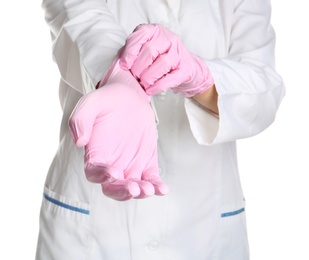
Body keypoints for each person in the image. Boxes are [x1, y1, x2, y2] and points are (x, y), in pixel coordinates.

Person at [36, 0, 285, 259]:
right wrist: (118, 75)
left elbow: (264, 85)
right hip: (90, 228)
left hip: (204, 229)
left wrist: (200, 77)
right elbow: (80, 17)